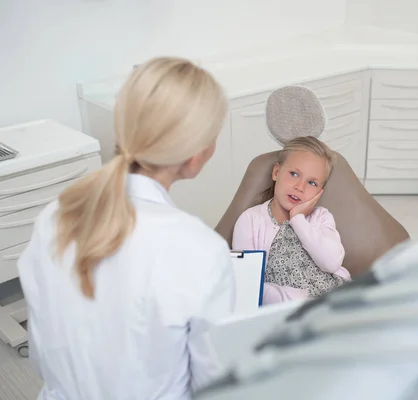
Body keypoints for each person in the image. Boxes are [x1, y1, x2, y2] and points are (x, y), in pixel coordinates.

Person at [17, 57, 234, 400]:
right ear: (196, 155)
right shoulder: (199, 250)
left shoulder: (54, 217)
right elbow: (214, 383)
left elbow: (42, 355)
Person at [232, 136, 351, 305]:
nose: (300, 187)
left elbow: (331, 264)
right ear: (276, 172)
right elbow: (248, 286)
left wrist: (298, 219)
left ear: (319, 192)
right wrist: (304, 300)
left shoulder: (321, 217)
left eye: (312, 182)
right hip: (290, 310)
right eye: (294, 174)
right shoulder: (250, 220)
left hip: (337, 300)